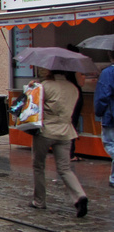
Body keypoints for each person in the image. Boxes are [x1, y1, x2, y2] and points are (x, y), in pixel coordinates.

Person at [31, 69, 88, 218]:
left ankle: (39, 201)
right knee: (65, 168)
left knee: (39, 165)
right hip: (66, 132)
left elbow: (34, 107)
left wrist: (32, 88)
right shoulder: (73, 88)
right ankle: (80, 196)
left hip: (46, 131)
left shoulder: (44, 86)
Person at [95, 50, 114, 188]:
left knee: (110, 144)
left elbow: (102, 96)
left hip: (111, 116)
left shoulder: (107, 73)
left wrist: (99, 112)